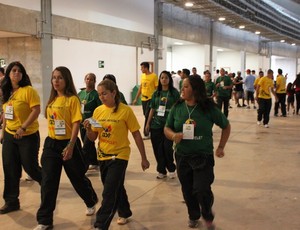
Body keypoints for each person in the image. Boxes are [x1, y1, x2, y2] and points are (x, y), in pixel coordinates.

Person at [35, 66, 98, 230]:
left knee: (77, 177)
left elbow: (76, 122)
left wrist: (70, 146)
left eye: (60, 78)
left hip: (68, 143)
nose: (56, 81)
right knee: (48, 181)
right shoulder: (52, 99)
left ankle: (90, 200)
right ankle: (45, 220)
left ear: (66, 80)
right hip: (51, 144)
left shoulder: (72, 99)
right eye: (54, 77)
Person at [164, 76, 231, 229]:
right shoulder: (178, 107)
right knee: (188, 190)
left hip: (203, 156)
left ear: (195, 89)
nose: (182, 89)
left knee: (201, 189)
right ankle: (193, 215)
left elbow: (226, 126)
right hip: (182, 156)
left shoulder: (208, 108)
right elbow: (167, 128)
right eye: (182, 86)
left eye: (186, 86)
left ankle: (207, 213)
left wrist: (221, 147)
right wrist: (174, 135)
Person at [83, 79, 150, 230]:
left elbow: (136, 135)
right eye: (100, 94)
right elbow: (93, 137)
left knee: (109, 192)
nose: (102, 97)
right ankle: (125, 211)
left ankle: (100, 224)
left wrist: (144, 158)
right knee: (116, 186)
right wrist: (88, 129)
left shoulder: (125, 110)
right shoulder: (98, 111)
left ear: (114, 93)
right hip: (103, 156)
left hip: (120, 156)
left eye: (104, 94)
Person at [0, 61, 41, 214]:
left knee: (31, 167)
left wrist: (23, 127)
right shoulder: (6, 91)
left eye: (19, 71)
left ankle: (48, 185)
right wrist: (3, 133)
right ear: (9, 73)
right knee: (10, 168)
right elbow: (6, 113)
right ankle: (11, 202)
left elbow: (36, 110)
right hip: (10, 135)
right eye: (14, 70)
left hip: (28, 135)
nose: (16, 73)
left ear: (23, 74)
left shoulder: (28, 90)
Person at [145, 71, 180, 179]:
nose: (163, 79)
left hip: (169, 125)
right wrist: (148, 123)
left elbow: (178, 109)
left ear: (169, 79)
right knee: (157, 149)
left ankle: (171, 168)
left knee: (167, 148)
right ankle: (161, 170)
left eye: (166, 77)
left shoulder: (174, 93)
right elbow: (152, 109)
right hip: (156, 125)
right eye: (162, 78)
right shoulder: (156, 93)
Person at [78, 73, 102, 171]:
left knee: (86, 146)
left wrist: (93, 120)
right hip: (81, 123)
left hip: (92, 123)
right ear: (85, 80)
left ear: (94, 81)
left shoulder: (96, 95)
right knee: (88, 143)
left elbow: (100, 109)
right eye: (87, 79)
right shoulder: (80, 94)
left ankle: (83, 167)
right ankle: (95, 162)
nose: (89, 81)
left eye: (91, 79)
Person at [132, 62, 158, 139]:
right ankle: (151, 129)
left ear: (146, 68)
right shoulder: (142, 76)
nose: (141, 69)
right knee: (146, 114)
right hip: (143, 99)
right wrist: (136, 98)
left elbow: (157, 88)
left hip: (151, 99)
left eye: (142, 68)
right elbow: (141, 88)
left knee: (147, 115)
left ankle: (146, 133)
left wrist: (156, 99)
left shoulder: (154, 76)